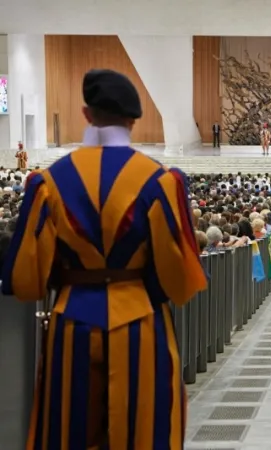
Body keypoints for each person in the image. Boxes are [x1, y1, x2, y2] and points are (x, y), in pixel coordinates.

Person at [1, 69, 208, 449]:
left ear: (86, 114)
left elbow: (26, 280)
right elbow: (180, 281)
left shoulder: (48, 183)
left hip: (71, 322)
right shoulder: (159, 181)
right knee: (146, 433)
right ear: (133, 119)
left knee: (67, 433)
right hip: (140, 322)